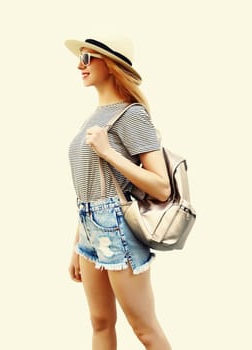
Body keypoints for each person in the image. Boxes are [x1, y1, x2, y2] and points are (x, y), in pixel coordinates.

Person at [65, 36, 173, 350]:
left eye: (87, 58)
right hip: (89, 228)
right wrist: (76, 244)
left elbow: (162, 186)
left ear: (111, 66)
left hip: (118, 229)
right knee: (100, 323)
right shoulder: (94, 116)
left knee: (145, 329)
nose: (79, 65)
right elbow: (91, 186)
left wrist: (109, 152)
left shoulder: (132, 115)